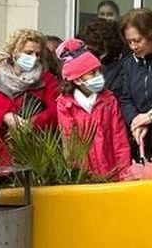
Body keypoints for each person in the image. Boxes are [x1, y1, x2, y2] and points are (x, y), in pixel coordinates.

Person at [0, 30, 61, 163]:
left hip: (33, 154)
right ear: (14, 53)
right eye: (28, 53)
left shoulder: (47, 80)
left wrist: (29, 125)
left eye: (38, 54)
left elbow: (56, 111)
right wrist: (5, 117)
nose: (34, 58)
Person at [55, 50, 133, 180]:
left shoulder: (109, 100)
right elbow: (70, 142)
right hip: (85, 176)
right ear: (78, 80)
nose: (99, 76)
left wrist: (124, 173)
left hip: (111, 172)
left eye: (99, 71)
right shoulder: (65, 104)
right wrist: (80, 176)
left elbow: (119, 138)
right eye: (93, 73)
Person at [112, 8, 152, 163]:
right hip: (141, 138)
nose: (133, 46)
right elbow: (125, 98)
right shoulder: (129, 63)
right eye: (129, 42)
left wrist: (151, 117)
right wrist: (135, 120)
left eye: (137, 40)